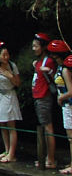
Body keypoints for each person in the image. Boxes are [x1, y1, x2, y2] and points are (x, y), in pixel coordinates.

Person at [0, 40, 21, 163]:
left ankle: (12, 154)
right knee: (2, 124)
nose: (6, 57)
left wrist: (9, 75)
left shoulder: (12, 65)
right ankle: (6, 150)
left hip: (9, 95)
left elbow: (17, 83)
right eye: (3, 55)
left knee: (11, 126)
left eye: (7, 54)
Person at [33, 33, 60, 169]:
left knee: (48, 127)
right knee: (44, 127)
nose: (33, 48)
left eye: (36, 46)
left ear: (43, 47)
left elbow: (57, 78)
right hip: (38, 96)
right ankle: (45, 158)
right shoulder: (38, 62)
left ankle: (50, 159)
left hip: (44, 96)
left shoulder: (48, 62)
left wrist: (49, 71)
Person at [57, 46, 72, 174]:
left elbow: (71, 91)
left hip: (69, 105)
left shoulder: (66, 70)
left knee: (71, 137)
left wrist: (61, 97)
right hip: (66, 106)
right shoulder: (61, 69)